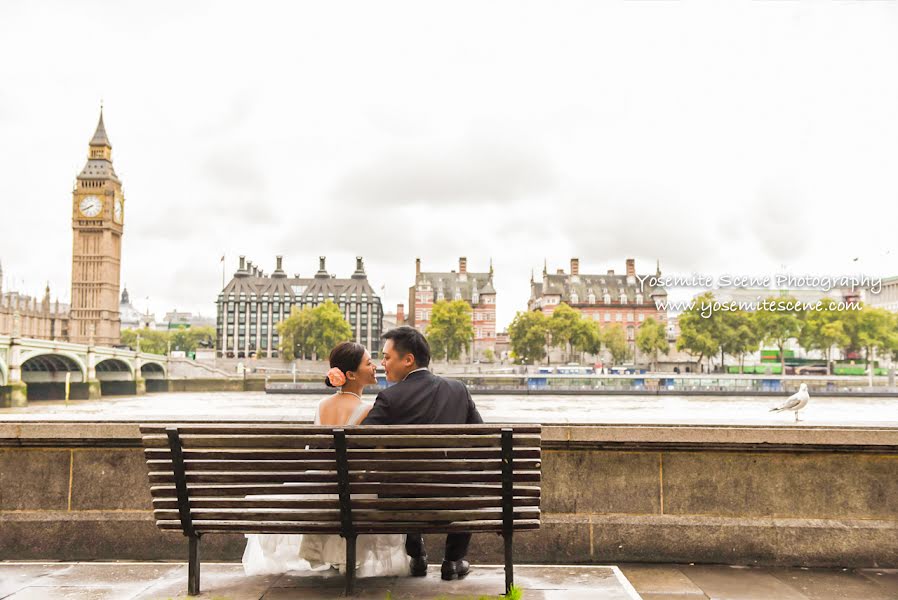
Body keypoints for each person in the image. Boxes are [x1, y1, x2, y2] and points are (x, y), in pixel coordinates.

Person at [242, 342, 409, 577]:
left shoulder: (321, 405)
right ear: (350, 374)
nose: (375, 367)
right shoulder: (368, 409)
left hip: (322, 489)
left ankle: (332, 559)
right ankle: (347, 559)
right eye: (369, 363)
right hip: (354, 494)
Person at [362, 326, 483, 582]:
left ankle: (416, 555)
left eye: (387, 357)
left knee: (402, 479)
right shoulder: (458, 390)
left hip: (400, 501)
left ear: (408, 360)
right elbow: (482, 439)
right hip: (453, 498)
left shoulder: (389, 398)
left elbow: (358, 442)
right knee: (464, 484)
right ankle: (452, 561)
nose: (382, 363)